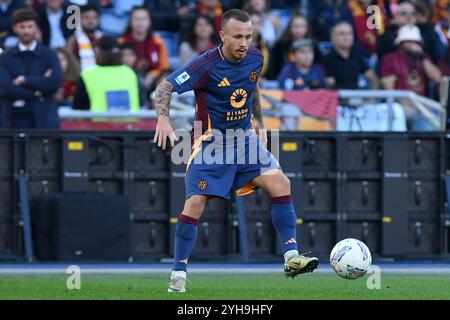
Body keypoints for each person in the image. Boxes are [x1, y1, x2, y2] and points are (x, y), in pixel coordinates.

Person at [152, 9, 319, 293]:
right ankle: (178, 274)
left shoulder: (255, 57)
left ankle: (291, 257)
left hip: (244, 139)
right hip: (210, 143)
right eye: (238, 37)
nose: (244, 42)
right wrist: (163, 118)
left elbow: (252, 86)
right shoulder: (204, 65)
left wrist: (261, 124)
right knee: (195, 204)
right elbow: (165, 87)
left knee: (280, 182)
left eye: (248, 36)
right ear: (223, 36)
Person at [0, 8, 62, 129]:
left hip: (44, 119)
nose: (26, 31)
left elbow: (54, 82)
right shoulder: (6, 57)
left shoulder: (49, 55)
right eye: (22, 27)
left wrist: (24, 80)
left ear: (36, 28)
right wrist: (35, 93)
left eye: (30, 26)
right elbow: (5, 88)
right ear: (15, 28)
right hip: (13, 118)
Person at [73, 35, 140, 112]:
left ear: (97, 50)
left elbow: (78, 108)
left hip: (97, 123)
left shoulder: (87, 75)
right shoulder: (131, 74)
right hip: (129, 123)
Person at [118, 6, 169, 93]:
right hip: (128, 78)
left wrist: (152, 75)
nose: (140, 23)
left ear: (149, 22)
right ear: (130, 21)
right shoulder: (121, 42)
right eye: (136, 19)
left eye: (144, 19)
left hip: (152, 82)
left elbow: (164, 67)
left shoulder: (158, 42)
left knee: (165, 80)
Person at [322, 21, 379, 89]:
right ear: (332, 37)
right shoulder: (328, 59)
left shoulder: (356, 55)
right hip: (338, 98)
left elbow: (373, 78)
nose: (346, 37)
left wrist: (371, 99)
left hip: (356, 96)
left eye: (349, 33)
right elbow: (329, 85)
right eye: (341, 34)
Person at [65, 4, 102, 72]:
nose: (90, 21)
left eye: (94, 18)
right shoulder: (72, 40)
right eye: (86, 17)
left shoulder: (102, 39)